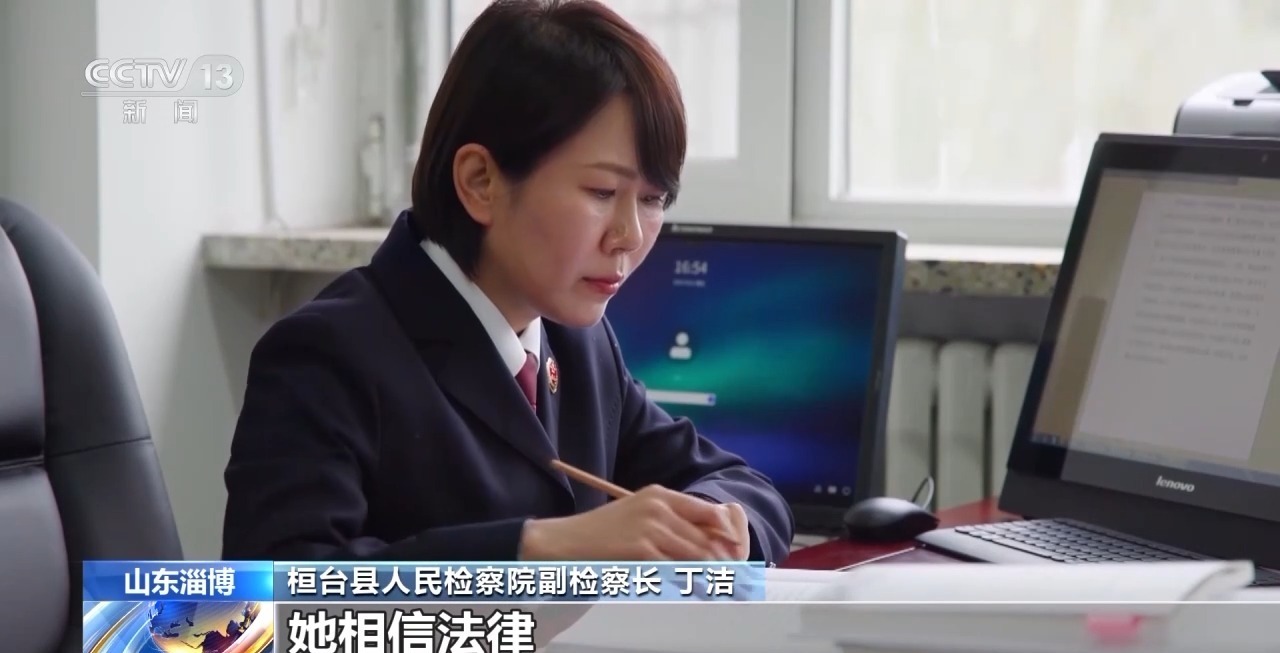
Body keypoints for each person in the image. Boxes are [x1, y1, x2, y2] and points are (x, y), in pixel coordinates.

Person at [221, 0, 794, 565]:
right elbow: (265, 597)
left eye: (653, 199)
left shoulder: (577, 344)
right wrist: (540, 547)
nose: (630, 235)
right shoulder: (327, 354)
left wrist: (719, 527)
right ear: (480, 182)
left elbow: (744, 487)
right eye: (602, 192)